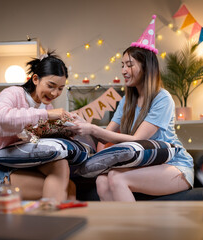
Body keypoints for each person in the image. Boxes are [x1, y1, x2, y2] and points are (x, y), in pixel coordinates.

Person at [67, 15, 193, 202]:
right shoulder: (127, 100)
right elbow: (106, 134)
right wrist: (81, 126)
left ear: (146, 67)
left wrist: (92, 128)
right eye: (122, 65)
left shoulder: (162, 98)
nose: (124, 70)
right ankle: (116, 229)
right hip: (146, 164)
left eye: (129, 65)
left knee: (118, 179)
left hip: (175, 165)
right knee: (102, 180)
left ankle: (135, 231)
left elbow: (138, 139)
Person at [0, 52, 74, 202]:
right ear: (36, 79)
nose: (54, 93)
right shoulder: (13, 93)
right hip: (2, 165)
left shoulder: (47, 106)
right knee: (65, 188)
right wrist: (46, 115)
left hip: (29, 161)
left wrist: (66, 129)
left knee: (65, 173)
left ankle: (60, 222)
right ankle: (52, 223)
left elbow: (37, 137)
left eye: (60, 88)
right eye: (51, 86)